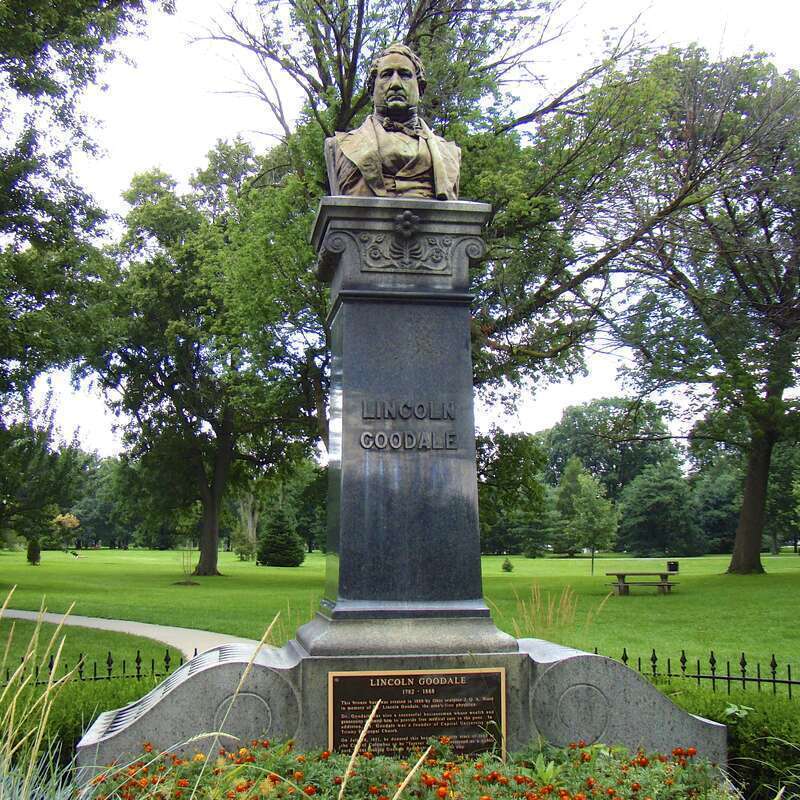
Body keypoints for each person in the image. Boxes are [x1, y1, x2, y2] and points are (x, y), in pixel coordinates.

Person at [325, 43, 460, 200]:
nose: (395, 84)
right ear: (371, 88)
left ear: (420, 87)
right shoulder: (338, 146)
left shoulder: (450, 154)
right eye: (387, 74)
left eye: (405, 75)